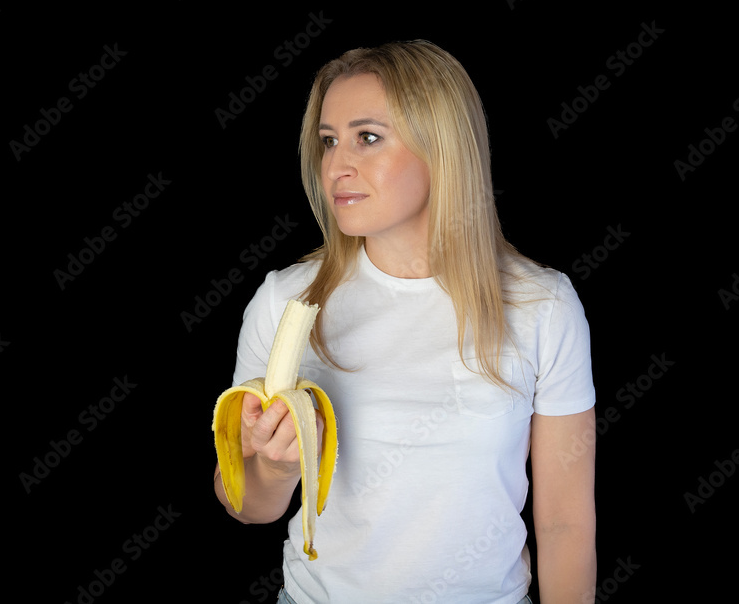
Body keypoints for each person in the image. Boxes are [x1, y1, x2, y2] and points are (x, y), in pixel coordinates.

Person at [213, 40, 596, 603]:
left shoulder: (543, 306)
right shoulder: (285, 300)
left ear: (442, 147)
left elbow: (565, 523)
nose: (336, 166)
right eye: (328, 141)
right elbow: (245, 507)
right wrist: (274, 470)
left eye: (367, 137)